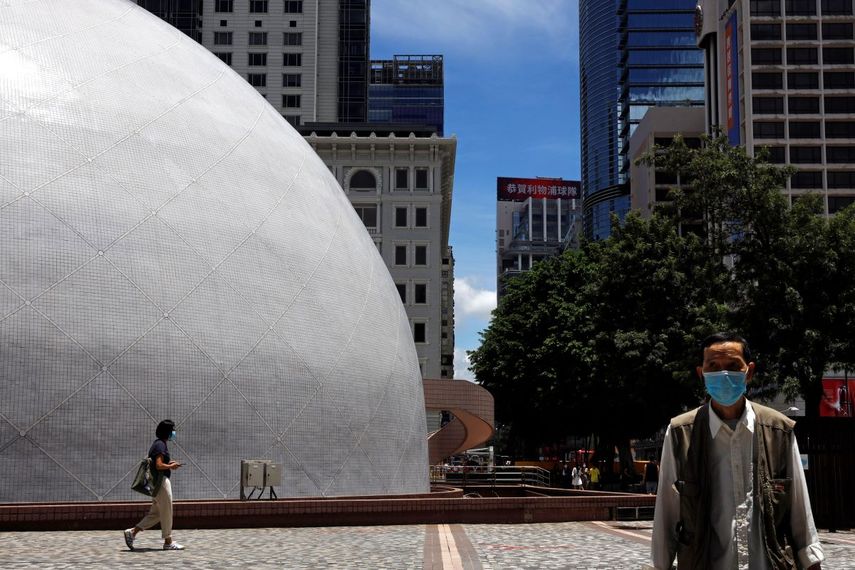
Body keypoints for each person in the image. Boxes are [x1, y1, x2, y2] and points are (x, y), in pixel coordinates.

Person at [651, 333, 824, 569]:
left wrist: (812, 562)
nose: (723, 374)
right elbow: (666, 517)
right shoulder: (681, 433)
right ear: (702, 374)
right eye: (713, 366)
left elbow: (800, 513)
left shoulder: (779, 431)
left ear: (749, 372)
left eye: (733, 366)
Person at [124, 420, 184, 551]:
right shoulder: (160, 445)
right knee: (167, 511)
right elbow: (159, 465)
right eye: (173, 430)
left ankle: (132, 532)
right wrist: (171, 466)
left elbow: (159, 463)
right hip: (161, 483)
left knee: (156, 514)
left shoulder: (158, 444)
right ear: (167, 431)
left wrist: (170, 463)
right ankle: (168, 542)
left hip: (157, 483)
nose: (174, 432)